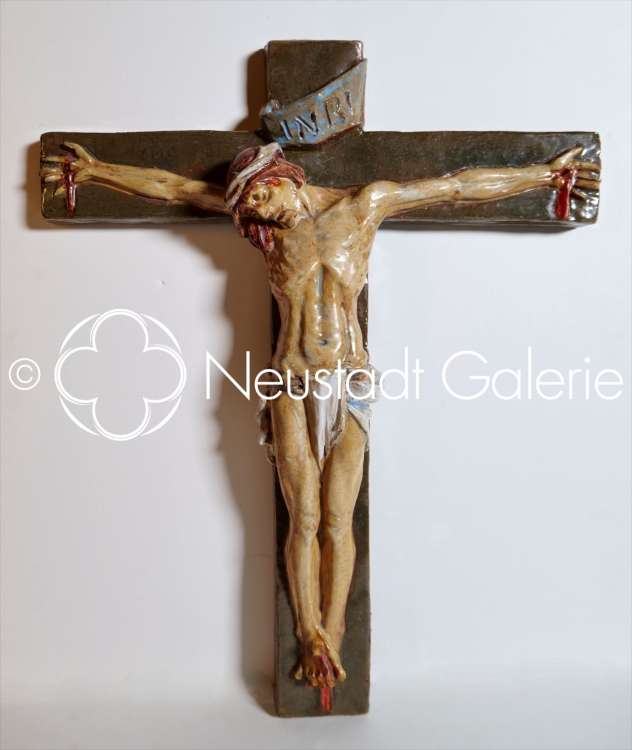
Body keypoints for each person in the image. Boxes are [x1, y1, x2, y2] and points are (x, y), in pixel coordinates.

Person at [41, 140, 600, 693]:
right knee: (303, 516)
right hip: (289, 382)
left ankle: (332, 634)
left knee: (338, 517)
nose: (259, 210)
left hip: (351, 380)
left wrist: (545, 177)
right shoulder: (274, 237)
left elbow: (454, 188)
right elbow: (177, 188)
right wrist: (94, 171)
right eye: (249, 207)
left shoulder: (364, 206)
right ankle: (307, 631)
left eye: (260, 195)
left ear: (283, 175)